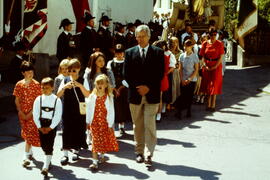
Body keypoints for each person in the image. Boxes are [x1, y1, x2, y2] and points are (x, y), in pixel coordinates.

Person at [124, 25, 164, 167]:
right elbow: (126, 74)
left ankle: (149, 153)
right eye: (138, 36)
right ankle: (139, 152)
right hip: (135, 95)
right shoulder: (129, 53)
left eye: (142, 36)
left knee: (149, 124)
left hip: (151, 94)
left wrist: (148, 87)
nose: (140, 39)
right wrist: (139, 88)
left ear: (148, 36)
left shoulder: (158, 53)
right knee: (138, 125)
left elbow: (159, 73)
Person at [57, 59, 89, 165]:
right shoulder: (65, 80)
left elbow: (88, 94)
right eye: (69, 70)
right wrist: (65, 87)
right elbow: (57, 94)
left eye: (73, 71)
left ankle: (76, 150)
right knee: (66, 130)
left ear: (79, 69)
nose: (71, 73)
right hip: (67, 109)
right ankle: (65, 154)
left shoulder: (83, 80)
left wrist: (80, 85)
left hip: (79, 110)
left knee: (78, 129)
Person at [86, 74, 119, 170]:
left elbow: (111, 111)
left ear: (106, 85)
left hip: (104, 122)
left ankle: (102, 155)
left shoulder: (109, 97)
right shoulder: (92, 96)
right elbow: (89, 109)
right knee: (95, 141)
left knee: (103, 139)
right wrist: (88, 121)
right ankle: (94, 162)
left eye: (102, 83)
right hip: (95, 122)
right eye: (98, 83)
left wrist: (110, 124)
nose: (100, 85)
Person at [13, 61, 42, 167]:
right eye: (28, 72)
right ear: (23, 73)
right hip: (22, 113)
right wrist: (20, 111)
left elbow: (38, 101)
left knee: (30, 131)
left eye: (32, 71)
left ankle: (25, 156)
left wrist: (30, 113)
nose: (30, 73)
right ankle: (29, 152)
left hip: (33, 113)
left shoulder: (37, 85)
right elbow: (17, 99)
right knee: (26, 131)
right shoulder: (19, 84)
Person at [33, 77, 62, 176]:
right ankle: (48, 160)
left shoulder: (57, 100)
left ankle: (45, 167)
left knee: (49, 144)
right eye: (43, 88)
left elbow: (58, 115)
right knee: (43, 144)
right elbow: (35, 113)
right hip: (41, 124)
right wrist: (39, 126)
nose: (44, 90)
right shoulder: (39, 99)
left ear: (52, 88)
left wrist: (51, 127)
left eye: (47, 88)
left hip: (51, 125)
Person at [107, 44, 131, 135]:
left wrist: (120, 88)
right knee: (113, 107)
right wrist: (114, 88)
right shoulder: (110, 63)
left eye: (121, 53)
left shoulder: (127, 62)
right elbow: (109, 76)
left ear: (123, 53)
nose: (119, 55)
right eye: (117, 53)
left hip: (124, 87)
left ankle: (122, 126)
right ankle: (112, 127)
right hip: (112, 87)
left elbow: (129, 76)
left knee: (123, 106)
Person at [199, 29, 224, 111]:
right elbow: (202, 56)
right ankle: (208, 104)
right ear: (209, 35)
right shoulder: (205, 43)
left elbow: (221, 57)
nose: (213, 36)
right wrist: (204, 65)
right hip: (207, 66)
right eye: (212, 34)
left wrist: (215, 66)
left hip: (216, 66)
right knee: (207, 85)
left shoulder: (219, 44)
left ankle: (212, 105)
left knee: (214, 85)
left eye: (215, 34)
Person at [175, 39, 199, 119]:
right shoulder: (182, 56)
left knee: (189, 96)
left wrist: (189, 79)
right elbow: (180, 69)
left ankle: (189, 110)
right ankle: (179, 111)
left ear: (191, 46)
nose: (185, 47)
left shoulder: (195, 56)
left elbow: (196, 69)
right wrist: (182, 79)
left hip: (191, 79)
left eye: (188, 46)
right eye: (185, 45)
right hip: (183, 78)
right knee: (182, 95)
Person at [168, 37, 182, 105]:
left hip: (176, 71)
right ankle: (170, 102)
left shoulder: (180, 52)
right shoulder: (168, 51)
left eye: (175, 42)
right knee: (170, 87)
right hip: (169, 71)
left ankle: (175, 102)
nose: (173, 44)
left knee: (176, 87)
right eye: (172, 42)